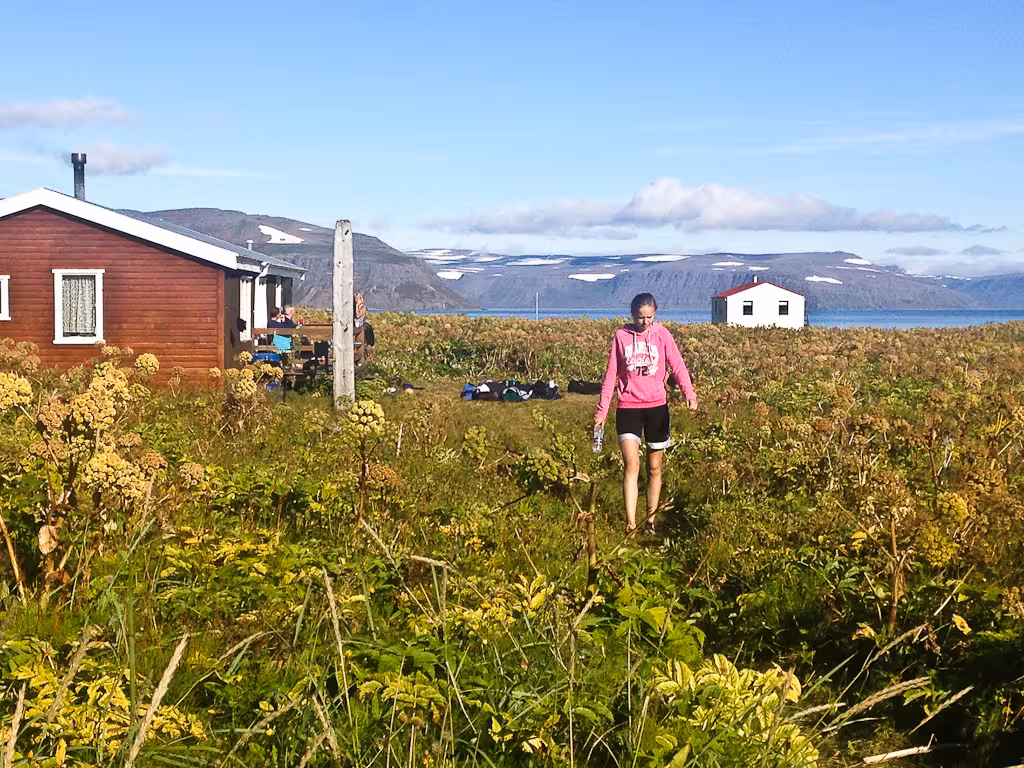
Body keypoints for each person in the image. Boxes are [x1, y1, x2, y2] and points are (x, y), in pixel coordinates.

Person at [594, 293, 697, 533]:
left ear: (655, 315)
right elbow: (611, 375)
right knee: (631, 464)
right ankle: (630, 522)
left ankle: (649, 520)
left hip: (657, 407)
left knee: (654, 467)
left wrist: (688, 393)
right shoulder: (620, 337)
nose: (646, 322)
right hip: (628, 407)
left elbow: (677, 364)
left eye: (650, 317)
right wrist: (602, 411)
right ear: (632, 315)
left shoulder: (662, 335)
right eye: (641, 317)